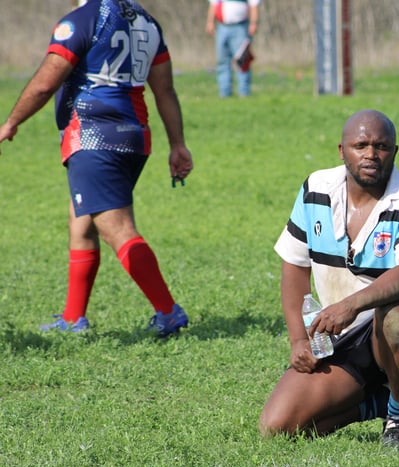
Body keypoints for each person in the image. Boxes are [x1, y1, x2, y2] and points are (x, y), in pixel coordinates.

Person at [0, 0, 193, 336]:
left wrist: (11, 122)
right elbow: (165, 89)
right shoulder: (146, 21)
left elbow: (47, 82)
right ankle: (73, 318)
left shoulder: (81, 21)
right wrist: (177, 144)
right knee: (82, 222)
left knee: (116, 227)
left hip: (93, 136)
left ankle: (168, 311)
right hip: (134, 136)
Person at [259, 110, 399, 448]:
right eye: (360, 145)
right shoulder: (316, 188)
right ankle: (376, 403)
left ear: (394, 151)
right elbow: (294, 264)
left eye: (381, 146)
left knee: (397, 316)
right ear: (342, 150)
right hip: (343, 334)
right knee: (279, 426)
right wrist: (298, 341)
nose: (371, 154)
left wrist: (351, 305)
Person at [206, 0, 260, 98]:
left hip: (241, 27)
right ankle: (224, 93)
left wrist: (253, 23)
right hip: (222, 27)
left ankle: (244, 92)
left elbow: (254, 5)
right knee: (222, 61)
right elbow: (213, 4)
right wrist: (210, 22)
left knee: (243, 60)